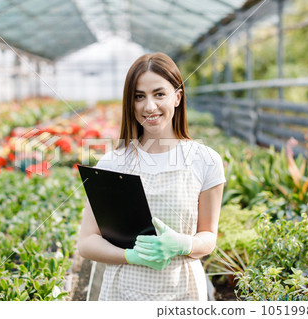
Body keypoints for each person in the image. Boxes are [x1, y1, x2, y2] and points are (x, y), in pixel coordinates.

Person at [77, 52, 226, 301]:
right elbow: (86, 242)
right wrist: (131, 255)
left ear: (177, 97)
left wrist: (182, 244)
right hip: (122, 294)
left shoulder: (206, 160)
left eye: (159, 94)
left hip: (183, 293)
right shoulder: (113, 163)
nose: (149, 106)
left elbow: (208, 237)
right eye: (139, 96)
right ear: (130, 103)